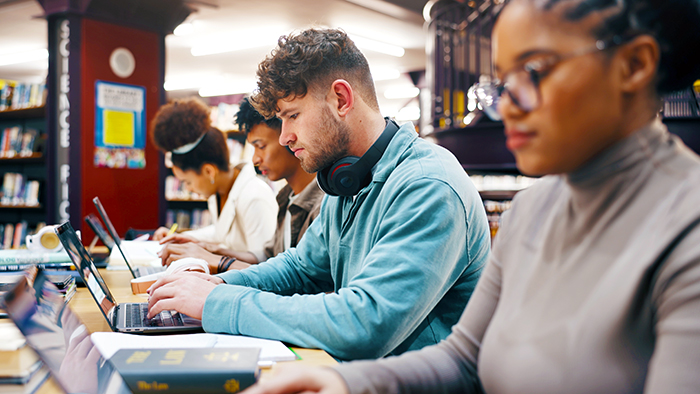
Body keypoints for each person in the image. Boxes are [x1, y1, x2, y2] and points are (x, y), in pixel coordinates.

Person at [239, 0, 700, 392]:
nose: (505, 103)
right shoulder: (534, 210)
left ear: (634, 65)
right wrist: (345, 383)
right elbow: (464, 358)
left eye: (534, 71)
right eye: (502, 78)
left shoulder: (687, 229)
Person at [147, 28, 491, 361]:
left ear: (341, 99)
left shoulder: (428, 186)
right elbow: (300, 268)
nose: (284, 137)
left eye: (292, 116)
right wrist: (216, 283)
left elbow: (365, 323)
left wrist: (217, 302)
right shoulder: (349, 178)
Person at [159, 97, 325, 272]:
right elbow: (268, 258)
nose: (255, 159)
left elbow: (294, 281)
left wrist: (220, 261)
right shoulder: (286, 199)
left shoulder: (322, 207)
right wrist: (210, 250)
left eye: (260, 146)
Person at [150, 98, 278, 268]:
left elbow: (265, 263)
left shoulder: (255, 196)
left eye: (187, 182)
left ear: (209, 171)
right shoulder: (219, 193)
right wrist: (190, 238)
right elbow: (221, 233)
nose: (188, 188)